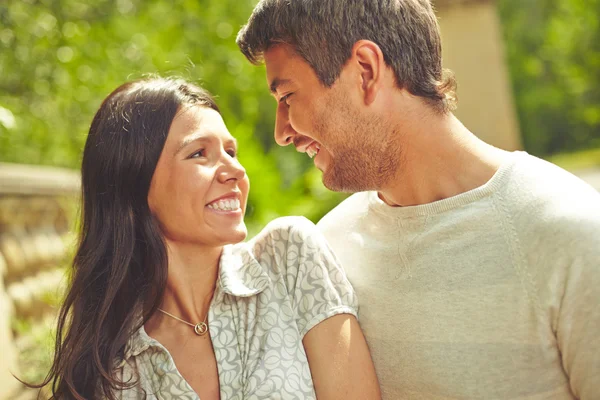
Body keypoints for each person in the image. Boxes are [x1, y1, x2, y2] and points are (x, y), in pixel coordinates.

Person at [236, 1, 600, 399]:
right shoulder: (328, 256)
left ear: (366, 70)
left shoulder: (571, 235)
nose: (281, 133)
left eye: (287, 96)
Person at [32, 77, 380, 399]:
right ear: (135, 184)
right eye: (199, 153)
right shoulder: (111, 369)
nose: (236, 171)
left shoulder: (289, 257)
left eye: (231, 152)